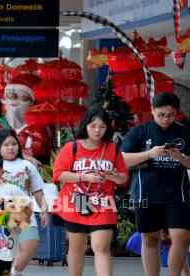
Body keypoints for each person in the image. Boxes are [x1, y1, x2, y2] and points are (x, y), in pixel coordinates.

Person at [52, 106, 128, 276]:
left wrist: (115, 177)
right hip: (77, 200)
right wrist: (85, 177)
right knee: (77, 246)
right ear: (85, 125)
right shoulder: (72, 147)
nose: (97, 130)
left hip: (103, 202)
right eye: (93, 126)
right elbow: (58, 175)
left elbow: (123, 179)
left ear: (107, 128)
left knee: (101, 246)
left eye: (102, 127)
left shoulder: (113, 149)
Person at [122, 92, 190, 276]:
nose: (166, 120)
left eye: (170, 115)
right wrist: (149, 154)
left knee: (182, 237)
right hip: (146, 193)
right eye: (161, 115)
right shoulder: (140, 132)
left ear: (176, 112)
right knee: (150, 239)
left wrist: (181, 157)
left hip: (178, 194)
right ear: (152, 110)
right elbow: (122, 160)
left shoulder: (184, 132)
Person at [0, 129, 49, 275]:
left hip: (23, 212)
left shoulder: (27, 165)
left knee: (31, 243)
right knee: (2, 251)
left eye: (14, 144)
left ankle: (16, 270)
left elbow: (38, 190)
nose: (11, 147)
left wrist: (44, 211)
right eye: (6, 144)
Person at [0, 74, 50, 164]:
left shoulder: (38, 130)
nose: (14, 99)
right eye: (10, 95)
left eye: (22, 95)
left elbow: (38, 153)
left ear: (33, 101)